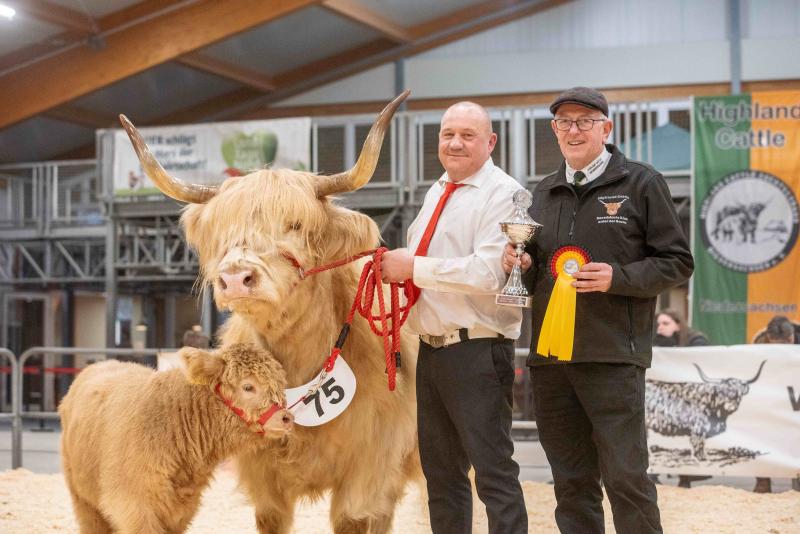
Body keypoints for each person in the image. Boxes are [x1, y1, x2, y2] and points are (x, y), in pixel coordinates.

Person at [503, 87, 693, 533]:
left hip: (613, 358)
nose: (574, 130)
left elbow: (677, 262)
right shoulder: (543, 192)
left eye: (585, 121)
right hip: (551, 361)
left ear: (606, 128)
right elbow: (536, 277)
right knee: (571, 483)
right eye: (564, 122)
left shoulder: (641, 183)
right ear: (554, 130)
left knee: (626, 478)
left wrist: (618, 277)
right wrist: (520, 266)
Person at [381, 101, 528, 533]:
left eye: (467, 135)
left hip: (478, 349)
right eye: (448, 134)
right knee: (441, 475)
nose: (455, 143)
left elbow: (489, 273)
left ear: (490, 141)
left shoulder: (503, 193)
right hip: (431, 350)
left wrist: (413, 267)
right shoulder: (438, 190)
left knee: (493, 471)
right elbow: (427, 260)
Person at [652, 309, 711, 489]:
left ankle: (686, 478)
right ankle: (654, 473)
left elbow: (700, 362)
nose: (660, 327)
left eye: (666, 323)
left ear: (678, 325)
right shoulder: (656, 341)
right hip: (664, 400)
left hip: (690, 401)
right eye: (658, 324)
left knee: (688, 434)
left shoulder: (696, 340)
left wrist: (673, 351)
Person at [752, 314, 800, 493]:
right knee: (760, 432)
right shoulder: (759, 343)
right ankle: (763, 479)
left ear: (792, 336)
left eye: (787, 344)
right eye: (777, 346)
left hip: (796, 392)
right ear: (768, 338)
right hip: (771, 393)